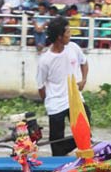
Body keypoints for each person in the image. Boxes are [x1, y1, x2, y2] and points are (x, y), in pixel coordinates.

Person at [36, 17, 90, 156]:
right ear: (59, 36)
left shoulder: (73, 48)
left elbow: (84, 63)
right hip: (56, 103)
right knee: (56, 143)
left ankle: (69, 149)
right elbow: (40, 86)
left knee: (85, 132)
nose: (70, 34)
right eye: (67, 32)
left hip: (75, 98)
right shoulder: (45, 60)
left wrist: (83, 80)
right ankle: (58, 159)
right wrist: (48, 101)